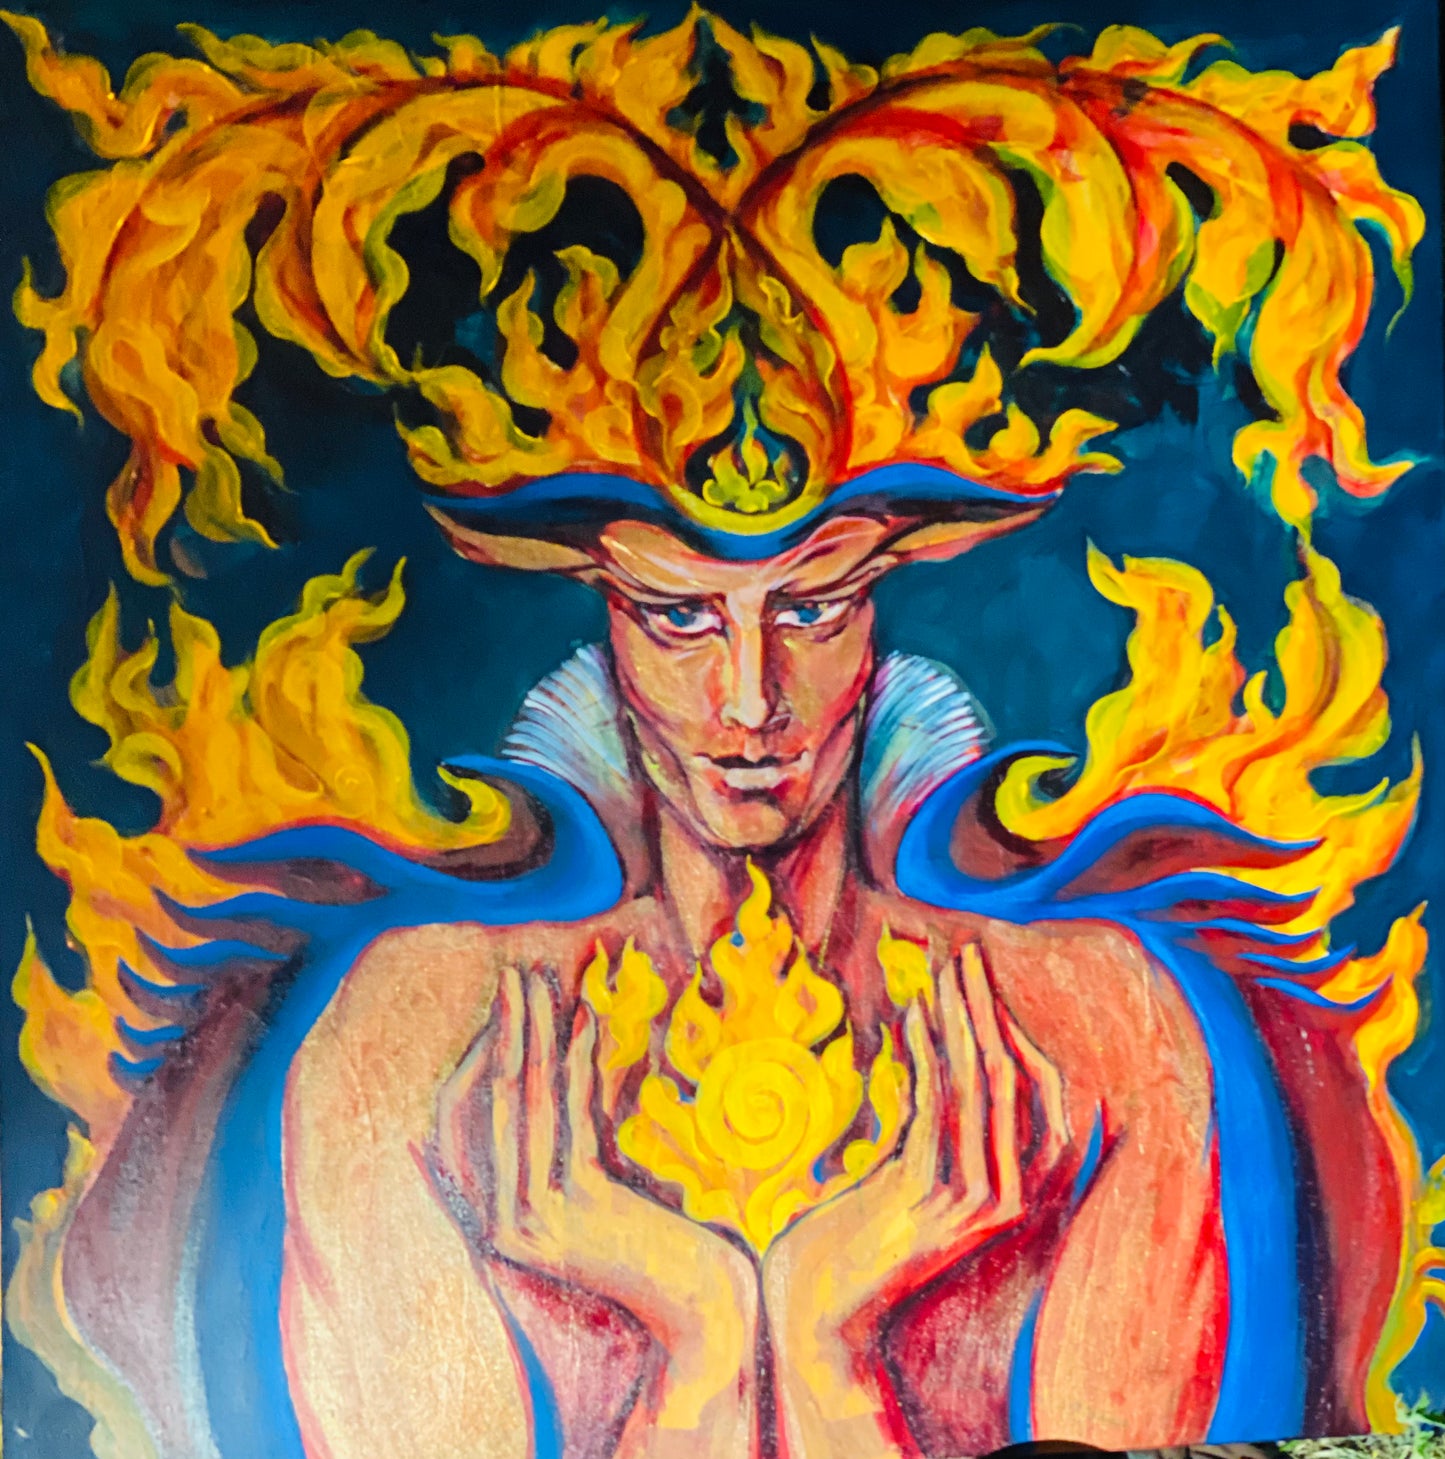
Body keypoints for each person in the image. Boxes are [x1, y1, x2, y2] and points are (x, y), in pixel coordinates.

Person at [3, 11, 1426, 1459]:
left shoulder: (1097, 1027)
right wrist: (697, 1323)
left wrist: (822, 1332)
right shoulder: (420, 1032)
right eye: (681, 618)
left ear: (878, 619)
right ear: (608, 625)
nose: (751, 702)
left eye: (811, 607)